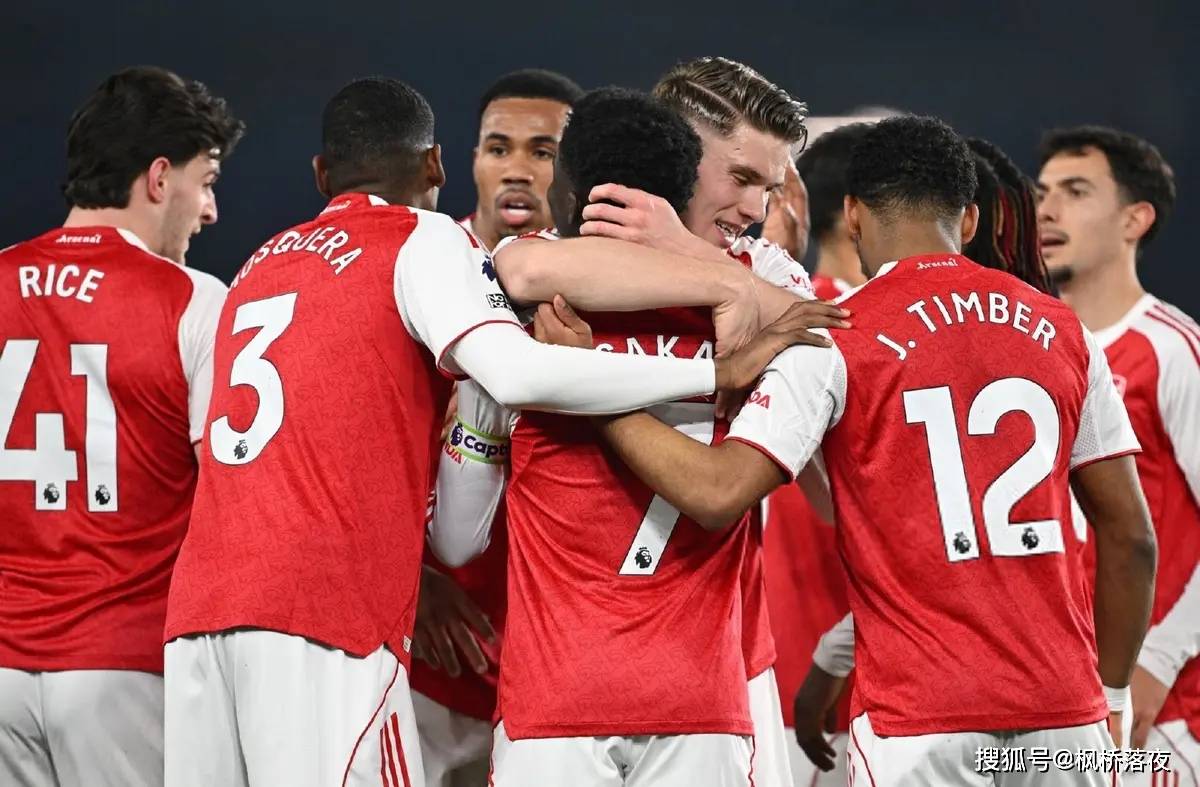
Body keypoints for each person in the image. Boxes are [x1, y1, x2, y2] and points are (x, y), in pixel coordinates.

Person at [160, 76, 813, 787]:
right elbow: (522, 375)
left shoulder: (260, 265)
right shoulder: (773, 304)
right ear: (440, 164)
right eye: (743, 180)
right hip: (687, 685)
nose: (755, 208)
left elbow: (462, 508)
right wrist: (718, 342)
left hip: (213, 607)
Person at [591, 115, 1157, 786]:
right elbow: (1131, 539)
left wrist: (594, 388)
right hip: (1065, 716)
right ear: (968, 219)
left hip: (918, 723)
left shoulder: (836, 339)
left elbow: (715, 492)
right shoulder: (1064, 331)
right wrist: (1112, 697)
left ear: (854, 215)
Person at [494, 58, 813, 785]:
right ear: (681, 152)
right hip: (565, 675)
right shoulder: (552, 260)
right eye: (742, 178)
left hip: (722, 666)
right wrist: (718, 282)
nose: (756, 208)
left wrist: (693, 256)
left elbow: (833, 336)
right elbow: (521, 272)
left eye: (770, 187)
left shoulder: (771, 275)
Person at [786, 135, 1059, 783]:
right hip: (1060, 694)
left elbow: (921, 540)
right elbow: (1126, 535)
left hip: (911, 700)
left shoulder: (823, 334)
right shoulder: (1058, 334)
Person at [0, 66, 243, 787]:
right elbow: (231, 502)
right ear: (160, 177)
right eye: (206, 182)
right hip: (127, 663)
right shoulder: (194, 301)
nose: (210, 211)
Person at [410, 67, 580, 787]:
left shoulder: (604, 282)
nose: (517, 169)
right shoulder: (414, 270)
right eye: (498, 147)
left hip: (555, 654)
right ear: (470, 161)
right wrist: (412, 578)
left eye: (543, 151)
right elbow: (345, 443)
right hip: (429, 650)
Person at [1037, 125, 1198, 784]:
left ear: (1136, 219)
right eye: (1042, 193)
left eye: (1075, 192)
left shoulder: (1172, 350)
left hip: (1161, 715)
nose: (1047, 210)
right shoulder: (1031, 349)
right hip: (1056, 704)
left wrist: (1156, 660)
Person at [459, 68, 582, 250]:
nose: (516, 174)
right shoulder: (426, 257)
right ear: (476, 162)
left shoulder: (607, 262)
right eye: (498, 150)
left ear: (578, 172)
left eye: (542, 153)